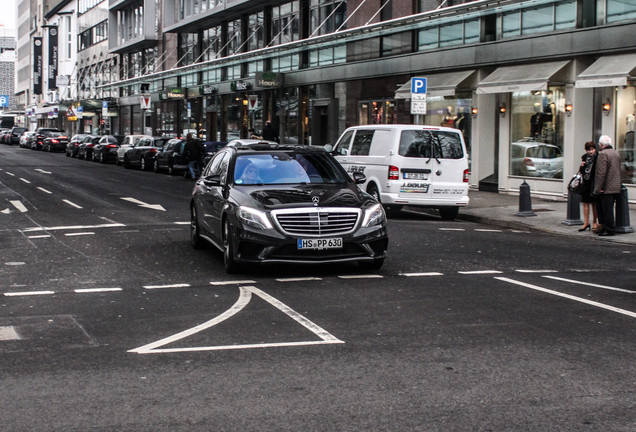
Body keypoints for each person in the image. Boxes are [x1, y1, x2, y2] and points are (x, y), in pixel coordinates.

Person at [593, 135, 623, 236]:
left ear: (601, 144)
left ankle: (608, 229)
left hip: (606, 187)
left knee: (606, 210)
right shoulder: (616, 153)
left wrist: (597, 188)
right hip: (616, 185)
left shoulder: (603, 154)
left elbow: (601, 173)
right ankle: (608, 228)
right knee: (610, 208)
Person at [577, 141, 599, 232]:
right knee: (585, 202)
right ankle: (586, 222)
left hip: (594, 182)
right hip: (586, 182)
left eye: (592, 149)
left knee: (594, 203)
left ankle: (595, 222)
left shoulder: (598, 157)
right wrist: (582, 166)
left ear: (595, 149)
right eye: (589, 150)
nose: (590, 152)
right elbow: (581, 171)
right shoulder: (584, 157)